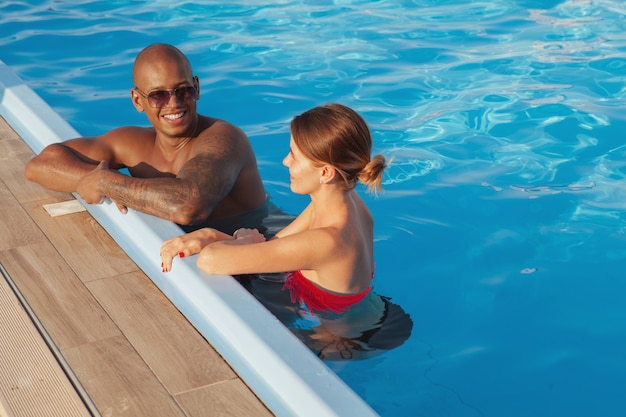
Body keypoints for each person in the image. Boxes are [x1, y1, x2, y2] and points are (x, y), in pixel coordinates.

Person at [160, 103, 387, 314]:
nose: (285, 161)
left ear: (325, 173)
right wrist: (218, 237)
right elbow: (271, 247)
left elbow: (209, 261)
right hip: (369, 312)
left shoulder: (325, 241)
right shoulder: (349, 203)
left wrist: (222, 237)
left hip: (340, 345)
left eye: (294, 156)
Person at [24, 43, 268, 233]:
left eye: (183, 90)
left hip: (256, 256)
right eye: (158, 95)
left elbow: (189, 207)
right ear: (137, 100)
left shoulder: (224, 138)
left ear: (197, 88)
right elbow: (39, 165)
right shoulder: (133, 144)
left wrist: (105, 183)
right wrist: (87, 179)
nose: (173, 103)